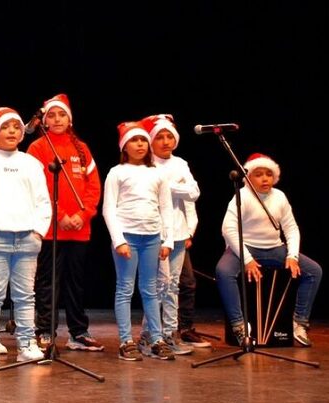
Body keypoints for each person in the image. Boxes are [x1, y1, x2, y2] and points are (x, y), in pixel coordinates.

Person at [0, 107, 49, 365]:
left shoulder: (31, 164)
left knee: (25, 295)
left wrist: (38, 231)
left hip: (27, 238)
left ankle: (27, 342)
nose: (12, 130)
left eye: (16, 126)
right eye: (5, 126)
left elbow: (43, 201)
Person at [215, 153, 322, 347]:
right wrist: (246, 259)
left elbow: (291, 228)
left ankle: (299, 323)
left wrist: (292, 255)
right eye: (258, 174)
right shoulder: (242, 196)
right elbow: (228, 229)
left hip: (274, 249)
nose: (265, 178)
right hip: (244, 247)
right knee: (223, 271)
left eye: (268, 174)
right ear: (248, 177)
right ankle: (239, 327)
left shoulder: (279, 196)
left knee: (314, 271)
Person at [26, 93, 104, 352]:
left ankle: (78, 332)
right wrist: (59, 216)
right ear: (43, 121)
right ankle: (45, 332)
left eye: (62, 115)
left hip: (80, 230)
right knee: (48, 282)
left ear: (69, 119)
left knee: (76, 282)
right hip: (51, 230)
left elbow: (93, 186)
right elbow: (37, 189)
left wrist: (83, 215)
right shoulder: (37, 148)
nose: (57, 119)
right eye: (51, 115)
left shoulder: (81, 148)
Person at [103, 122, 174, 361]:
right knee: (125, 289)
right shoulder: (117, 172)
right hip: (128, 238)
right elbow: (109, 209)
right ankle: (126, 341)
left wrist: (168, 240)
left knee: (150, 290)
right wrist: (118, 240)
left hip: (152, 237)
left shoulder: (158, 173)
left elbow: (166, 208)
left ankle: (156, 339)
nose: (140, 144)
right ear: (125, 146)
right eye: (134, 140)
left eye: (143, 140)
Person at [142, 114, 199, 355]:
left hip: (177, 231)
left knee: (173, 286)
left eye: (169, 137)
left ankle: (170, 333)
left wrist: (169, 186)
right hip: (157, 232)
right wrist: (174, 187)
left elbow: (194, 192)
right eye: (160, 137)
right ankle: (149, 334)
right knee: (158, 285)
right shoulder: (146, 165)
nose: (165, 142)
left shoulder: (180, 164)